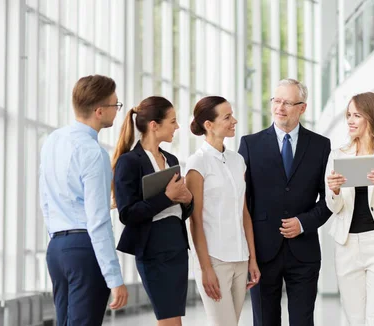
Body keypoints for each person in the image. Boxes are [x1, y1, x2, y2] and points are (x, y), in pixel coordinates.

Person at [238, 78, 332, 326]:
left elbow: (330, 199)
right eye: (276, 101)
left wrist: (303, 223)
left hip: (304, 251)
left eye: (288, 103)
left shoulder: (321, 146)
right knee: (265, 321)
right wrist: (248, 254)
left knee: (303, 321)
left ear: (302, 107)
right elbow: (242, 202)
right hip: (261, 252)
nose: (280, 108)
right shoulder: (250, 144)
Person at [40, 75, 128, 325]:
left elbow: (45, 201)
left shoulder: (52, 141)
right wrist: (115, 279)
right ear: (100, 111)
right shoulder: (93, 153)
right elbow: (98, 221)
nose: (117, 110)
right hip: (84, 249)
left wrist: (59, 237)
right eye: (115, 105)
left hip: (56, 248)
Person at [112, 96, 193, 325]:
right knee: (169, 320)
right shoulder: (130, 162)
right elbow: (127, 213)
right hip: (153, 249)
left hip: (176, 247)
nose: (177, 127)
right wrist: (167, 197)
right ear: (154, 125)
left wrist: (187, 200)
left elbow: (180, 211)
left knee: (174, 319)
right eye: (173, 121)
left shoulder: (171, 159)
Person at [325, 92, 374, 325]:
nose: (350, 120)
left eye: (356, 115)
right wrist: (335, 191)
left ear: (372, 117)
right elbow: (334, 207)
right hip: (347, 246)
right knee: (356, 320)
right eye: (348, 115)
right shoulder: (337, 156)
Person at [184, 96, 260, 326]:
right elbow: (195, 220)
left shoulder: (238, 161)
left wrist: (253, 259)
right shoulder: (197, 163)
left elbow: (244, 213)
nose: (234, 120)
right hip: (215, 260)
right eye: (227, 117)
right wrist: (205, 268)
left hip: (240, 257)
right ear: (209, 125)